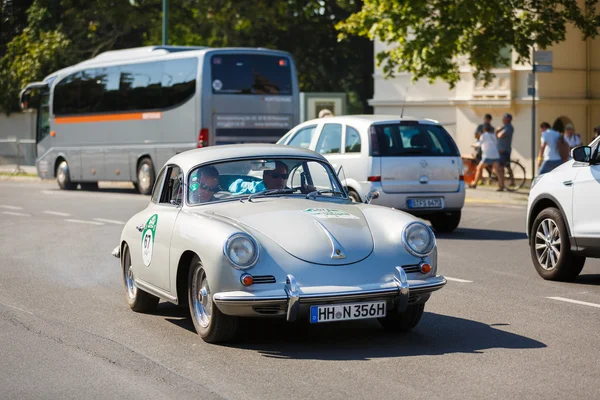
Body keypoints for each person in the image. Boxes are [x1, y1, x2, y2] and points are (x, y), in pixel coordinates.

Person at [468, 123, 504, 191]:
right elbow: (495, 143)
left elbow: (479, 144)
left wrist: (473, 145)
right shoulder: (493, 135)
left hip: (487, 155)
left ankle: (474, 183)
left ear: (484, 129)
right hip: (495, 155)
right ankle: (501, 185)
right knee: (496, 171)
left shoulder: (483, 135)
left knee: (479, 168)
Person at [496, 113, 514, 188]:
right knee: (507, 166)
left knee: (500, 168)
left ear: (508, 119)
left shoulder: (508, 128)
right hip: (502, 150)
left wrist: (497, 131)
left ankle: (501, 184)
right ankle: (512, 181)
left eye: (504, 118)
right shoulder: (504, 127)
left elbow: (500, 135)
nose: (503, 119)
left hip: (504, 151)